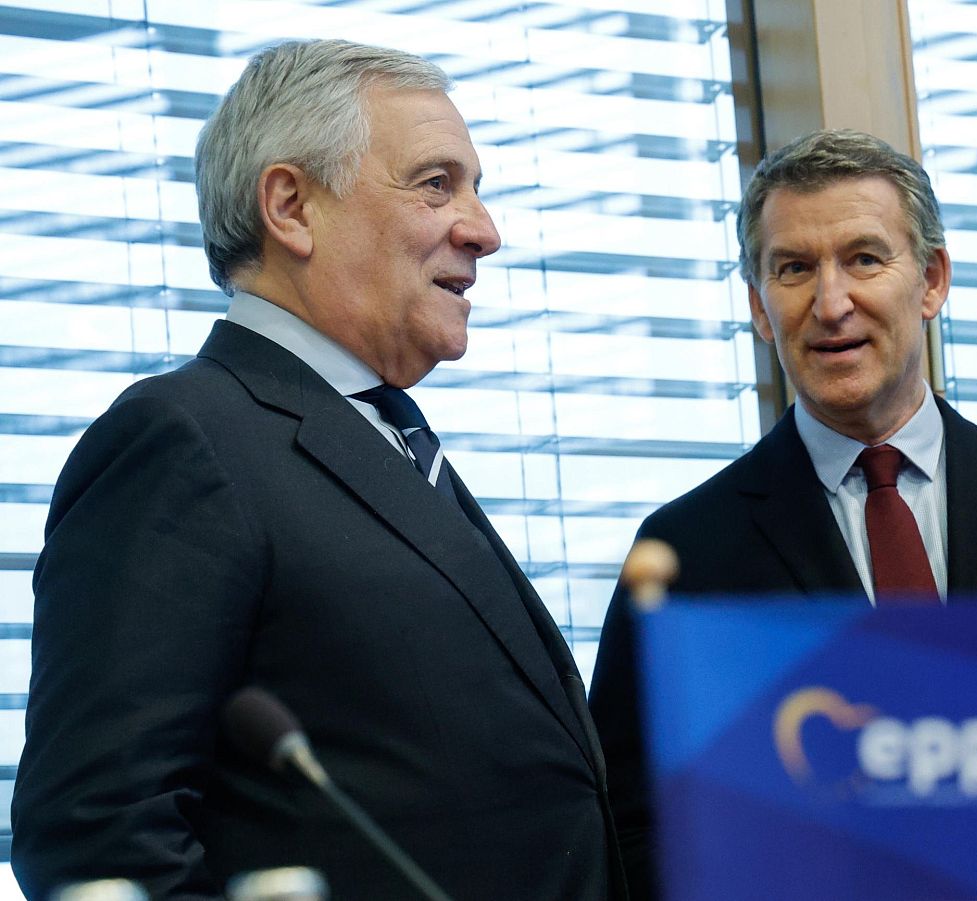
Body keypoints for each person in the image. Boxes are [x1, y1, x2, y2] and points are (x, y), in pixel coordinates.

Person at [14, 40, 622, 899]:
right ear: (291, 206)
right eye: (436, 183)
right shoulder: (181, 439)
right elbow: (96, 837)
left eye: (476, 188)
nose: (484, 230)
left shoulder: (388, 435)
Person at [588, 129, 977, 901]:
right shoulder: (686, 549)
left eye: (864, 258)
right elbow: (632, 826)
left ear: (932, 280)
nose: (831, 302)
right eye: (794, 268)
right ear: (760, 309)